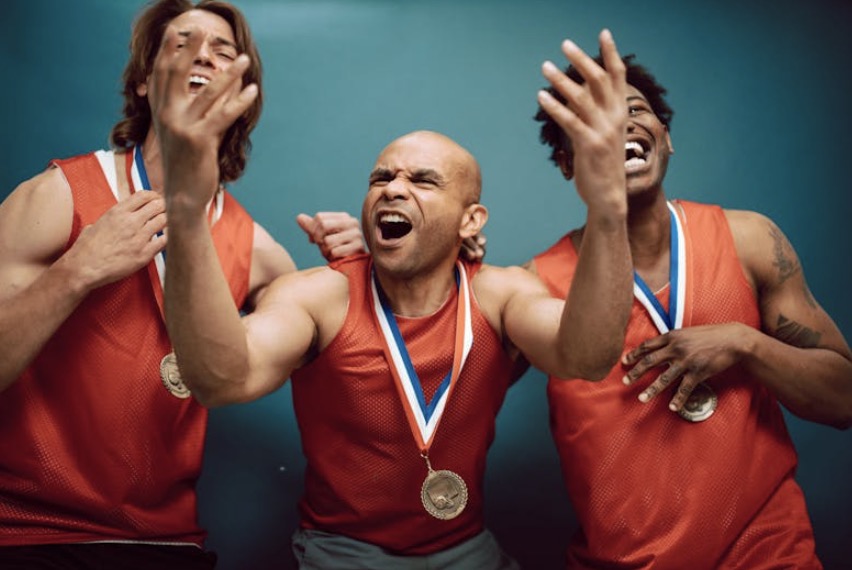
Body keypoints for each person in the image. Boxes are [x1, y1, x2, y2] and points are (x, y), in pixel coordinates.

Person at [153, 22, 634, 569]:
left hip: (467, 550)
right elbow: (222, 380)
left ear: (470, 220)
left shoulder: (501, 294)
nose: (393, 189)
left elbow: (588, 355)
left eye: (423, 181)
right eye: (381, 178)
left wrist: (608, 207)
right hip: (342, 554)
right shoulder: (320, 298)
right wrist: (188, 208)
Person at [0, 1, 364, 568]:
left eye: (223, 52)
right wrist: (78, 270)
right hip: (32, 535)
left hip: (166, 544)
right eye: (182, 43)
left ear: (242, 91)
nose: (203, 55)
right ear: (144, 81)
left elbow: (344, 370)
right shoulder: (59, 195)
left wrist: (368, 268)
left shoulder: (259, 250)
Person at [529, 49, 852, 568]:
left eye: (632, 108)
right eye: (594, 119)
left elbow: (844, 400)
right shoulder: (535, 284)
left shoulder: (749, 240)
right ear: (569, 162)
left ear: (666, 136)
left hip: (769, 556)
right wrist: (372, 258)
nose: (618, 124)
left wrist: (744, 342)